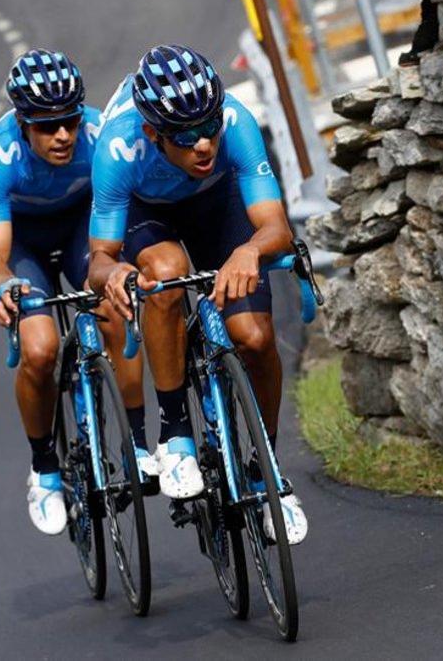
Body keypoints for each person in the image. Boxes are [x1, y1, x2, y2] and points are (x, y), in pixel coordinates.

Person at [88, 45, 307, 544]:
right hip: (151, 214)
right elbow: (99, 256)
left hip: (219, 203)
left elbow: (274, 226)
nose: (203, 144)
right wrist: (118, 273)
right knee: (165, 274)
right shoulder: (119, 148)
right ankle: (175, 433)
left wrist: (250, 252)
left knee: (252, 338)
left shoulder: (236, 122)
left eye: (209, 127)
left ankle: (266, 468)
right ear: (152, 134)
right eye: (186, 137)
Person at [0, 49, 148, 536]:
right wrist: (4, 284)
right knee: (40, 349)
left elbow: (119, 215)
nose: (63, 135)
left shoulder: (98, 136)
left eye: (70, 121)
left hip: (80, 228)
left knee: (115, 309)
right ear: (21, 123)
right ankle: (44, 469)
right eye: (47, 126)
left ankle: (137, 443)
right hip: (24, 242)